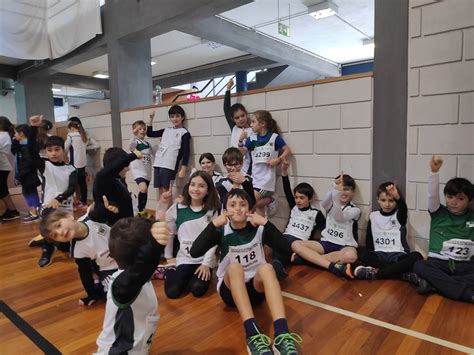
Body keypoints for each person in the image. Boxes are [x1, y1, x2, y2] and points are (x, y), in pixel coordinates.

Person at [191, 189, 302, 355]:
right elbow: (195, 251)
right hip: (230, 291)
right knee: (235, 268)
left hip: (256, 290)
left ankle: (282, 335)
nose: (238, 208)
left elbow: (286, 250)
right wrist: (213, 224)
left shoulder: (259, 229)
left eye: (243, 205)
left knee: (267, 268)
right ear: (226, 210)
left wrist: (266, 223)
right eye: (233, 205)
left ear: (250, 211)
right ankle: (252, 334)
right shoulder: (221, 230)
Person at [95, 217, 170, 354]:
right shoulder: (123, 286)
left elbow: (142, 269)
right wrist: (154, 245)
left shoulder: (140, 279)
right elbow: (140, 269)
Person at [413, 155, 474, 303]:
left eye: (460, 199)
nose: (454, 202)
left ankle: (435, 284)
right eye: (450, 197)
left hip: (466, 265)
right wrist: (434, 172)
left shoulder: (472, 217)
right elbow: (432, 195)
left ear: (470, 200)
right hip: (439, 263)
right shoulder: (438, 212)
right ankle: (467, 294)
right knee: (419, 265)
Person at [39, 200, 119, 306]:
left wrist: (112, 207)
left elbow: (105, 209)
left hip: (128, 251)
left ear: (69, 216)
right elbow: (84, 273)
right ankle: (99, 284)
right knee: (113, 297)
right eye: (55, 235)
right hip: (110, 268)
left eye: (58, 225)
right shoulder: (77, 251)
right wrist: (92, 294)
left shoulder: (91, 217)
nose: (60, 232)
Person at [29, 115, 78, 267]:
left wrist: (60, 198)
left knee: (63, 244)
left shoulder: (71, 169)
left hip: (65, 207)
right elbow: (31, 150)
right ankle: (46, 249)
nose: (54, 153)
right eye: (50, 150)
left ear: (63, 151)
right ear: (46, 152)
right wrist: (33, 128)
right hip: (49, 206)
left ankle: (44, 239)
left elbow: (71, 188)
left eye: (57, 149)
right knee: (49, 228)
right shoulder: (45, 166)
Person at [291, 173, 360, 279]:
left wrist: (336, 195)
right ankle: (332, 266)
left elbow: (339, 217)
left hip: (345, 246)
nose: (343, 192)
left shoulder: (355, 209)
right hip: (326, 243)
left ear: (353, 192)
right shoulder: (331, 203)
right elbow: (324, 204)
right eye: (341, 189)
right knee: (296, 244)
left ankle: (310, 260)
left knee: (352, 256)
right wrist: (334, 189)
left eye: (347, 189)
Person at [164, 171, 221, 299]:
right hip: (185, 258)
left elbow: (213, 240)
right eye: (193, 184)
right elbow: (169, 233)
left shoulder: (213, 210)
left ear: (208, 190)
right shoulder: (177, 208)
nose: (195, 189)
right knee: (172, 292)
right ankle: (169, 271)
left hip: (204, 260)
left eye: (201, 186)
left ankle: (192, 276)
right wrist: (168, 258)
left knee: (197, 290)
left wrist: (206, 264)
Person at [352, 182, 423, 280]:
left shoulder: (399, 216)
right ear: (378, 200)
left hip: (397, 256)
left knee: (417, 256)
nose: (387, 204)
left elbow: (403, 208)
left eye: (391, 200)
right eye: (383, 200)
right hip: (379, 256)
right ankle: (402, 274)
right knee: (361, 253)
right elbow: (369, 242)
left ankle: (377, 274)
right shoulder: (373, 216)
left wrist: (398, 198)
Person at [271, 159, 326, 281]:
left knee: (286, 248)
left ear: (310, 199)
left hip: (300, 241)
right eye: (296, 197)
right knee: (278, 242)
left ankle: (280, 263)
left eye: (302, 198)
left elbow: (326, 229)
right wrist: (284, 171)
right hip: (286, 236)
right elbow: (287, 190)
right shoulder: (294, 208)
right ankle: (277, 265)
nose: (298, 200)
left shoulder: (316, 213)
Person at [239, 110, 291, 216]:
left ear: (262, 124)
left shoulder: (274, 137)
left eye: (253, 122)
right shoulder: (252, 139)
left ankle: (271, 199)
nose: (251, 124)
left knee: (249, 203)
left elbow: (287, 151)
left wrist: (278, 159)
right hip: (254, 178)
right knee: (258, 208)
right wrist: (240, 141)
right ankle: (261, 229)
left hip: (266, 180)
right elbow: (241, 154)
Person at [147, 105, 191, 209]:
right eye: (172, 116)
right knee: (160, 190)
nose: (175, 119)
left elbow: (186, 152)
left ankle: (168, 214)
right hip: (159, 162)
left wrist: (183, 168)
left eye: (177, 116)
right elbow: (150, 133)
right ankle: (161, 213)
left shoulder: (184, 133)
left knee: (167, 190)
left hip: (170, 164)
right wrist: (151, 119)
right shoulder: (166, 130)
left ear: (182, 117)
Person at [90, 147, 142, 226]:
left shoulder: (119, 181)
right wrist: (133, 155)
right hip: (113, 229)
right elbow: (105, 172)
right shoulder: (103, 179)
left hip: (125, 226)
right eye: (125, 166)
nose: (127, 169)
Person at [11, 124, 41, 223]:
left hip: (28, 175)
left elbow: (28, 164)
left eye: (15, 133)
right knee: (28, 193)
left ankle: (34, 213)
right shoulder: (22, 145)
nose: (14, 135)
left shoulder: (27, 147)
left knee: (30, 194)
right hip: (26, 175)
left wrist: (19, 176)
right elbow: (13, 151)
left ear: (22, 134)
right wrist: (15, 140)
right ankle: (35, 211)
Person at [223, 79, 253, 175]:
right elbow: (226, 108)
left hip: (247, 166)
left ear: (246, 114)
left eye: (242, 115)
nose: (240, 119)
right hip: (232, 164)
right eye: (237, 117)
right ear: (233, 119)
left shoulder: (253, 129)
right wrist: (228, 89)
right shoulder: (234, 127)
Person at [129, 120, 153, 215]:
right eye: (140, 129)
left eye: (144, 129)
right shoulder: (135, 141)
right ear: (135, 130)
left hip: (147, 172)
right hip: (138, 171)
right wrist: (133, 135)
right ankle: (139, 209)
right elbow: (131, 148)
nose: (143, 130)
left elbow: (154, 154)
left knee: (145, 191)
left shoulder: (148, 144)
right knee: (143, 188)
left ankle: (142, 210)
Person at [65, 120, 88, 210]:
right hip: (83, 163)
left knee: (73, 184)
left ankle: (75, 203)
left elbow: (65, 148)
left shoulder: (71, 136)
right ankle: (82, 201)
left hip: (74, 163)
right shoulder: (84, 136)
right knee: (82, 184)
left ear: (72, 128)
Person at [0, 116, 20, 222]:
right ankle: (11, 210)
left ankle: (12, 211)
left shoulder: (2, 136)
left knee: (2, 190)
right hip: (3, 166)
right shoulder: (5, 135)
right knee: (2, 189)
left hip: (2, 166)